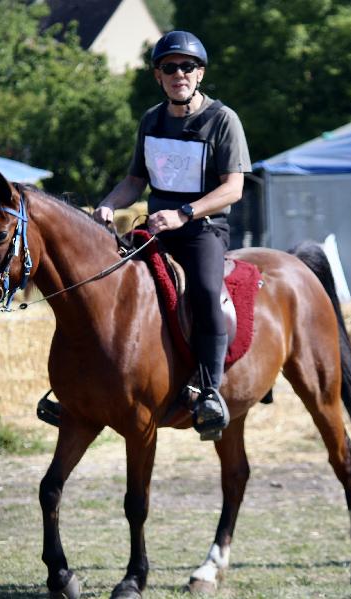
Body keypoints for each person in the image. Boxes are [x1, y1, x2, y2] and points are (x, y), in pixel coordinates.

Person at [92, 30, 251, 440]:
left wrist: (184, 214)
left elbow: (233, 188)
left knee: (201, 288)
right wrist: (109, 204)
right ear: (158, 76)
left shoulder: (222, 120)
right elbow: (134, 181)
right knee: (109, 283)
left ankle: (211, 390)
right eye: (170, 67)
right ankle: (88, 386)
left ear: (199, 74)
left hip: (203, 229)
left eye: (187, 66)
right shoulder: (151, 120)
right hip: (157, 227)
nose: (179, 73)